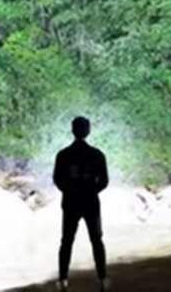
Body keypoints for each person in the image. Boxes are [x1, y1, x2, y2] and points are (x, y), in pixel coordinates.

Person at [52, 115, 109, 291]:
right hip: (91, 201)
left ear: (72, 130)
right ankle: (102, 279)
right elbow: (104, 181)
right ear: (88, 131)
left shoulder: (63, 155)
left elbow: (57, 179)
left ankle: (63, 280)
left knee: (66, 241)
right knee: (96, 240)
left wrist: (70, 190)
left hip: (71, 201)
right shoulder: (97, 154)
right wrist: (91, 190)